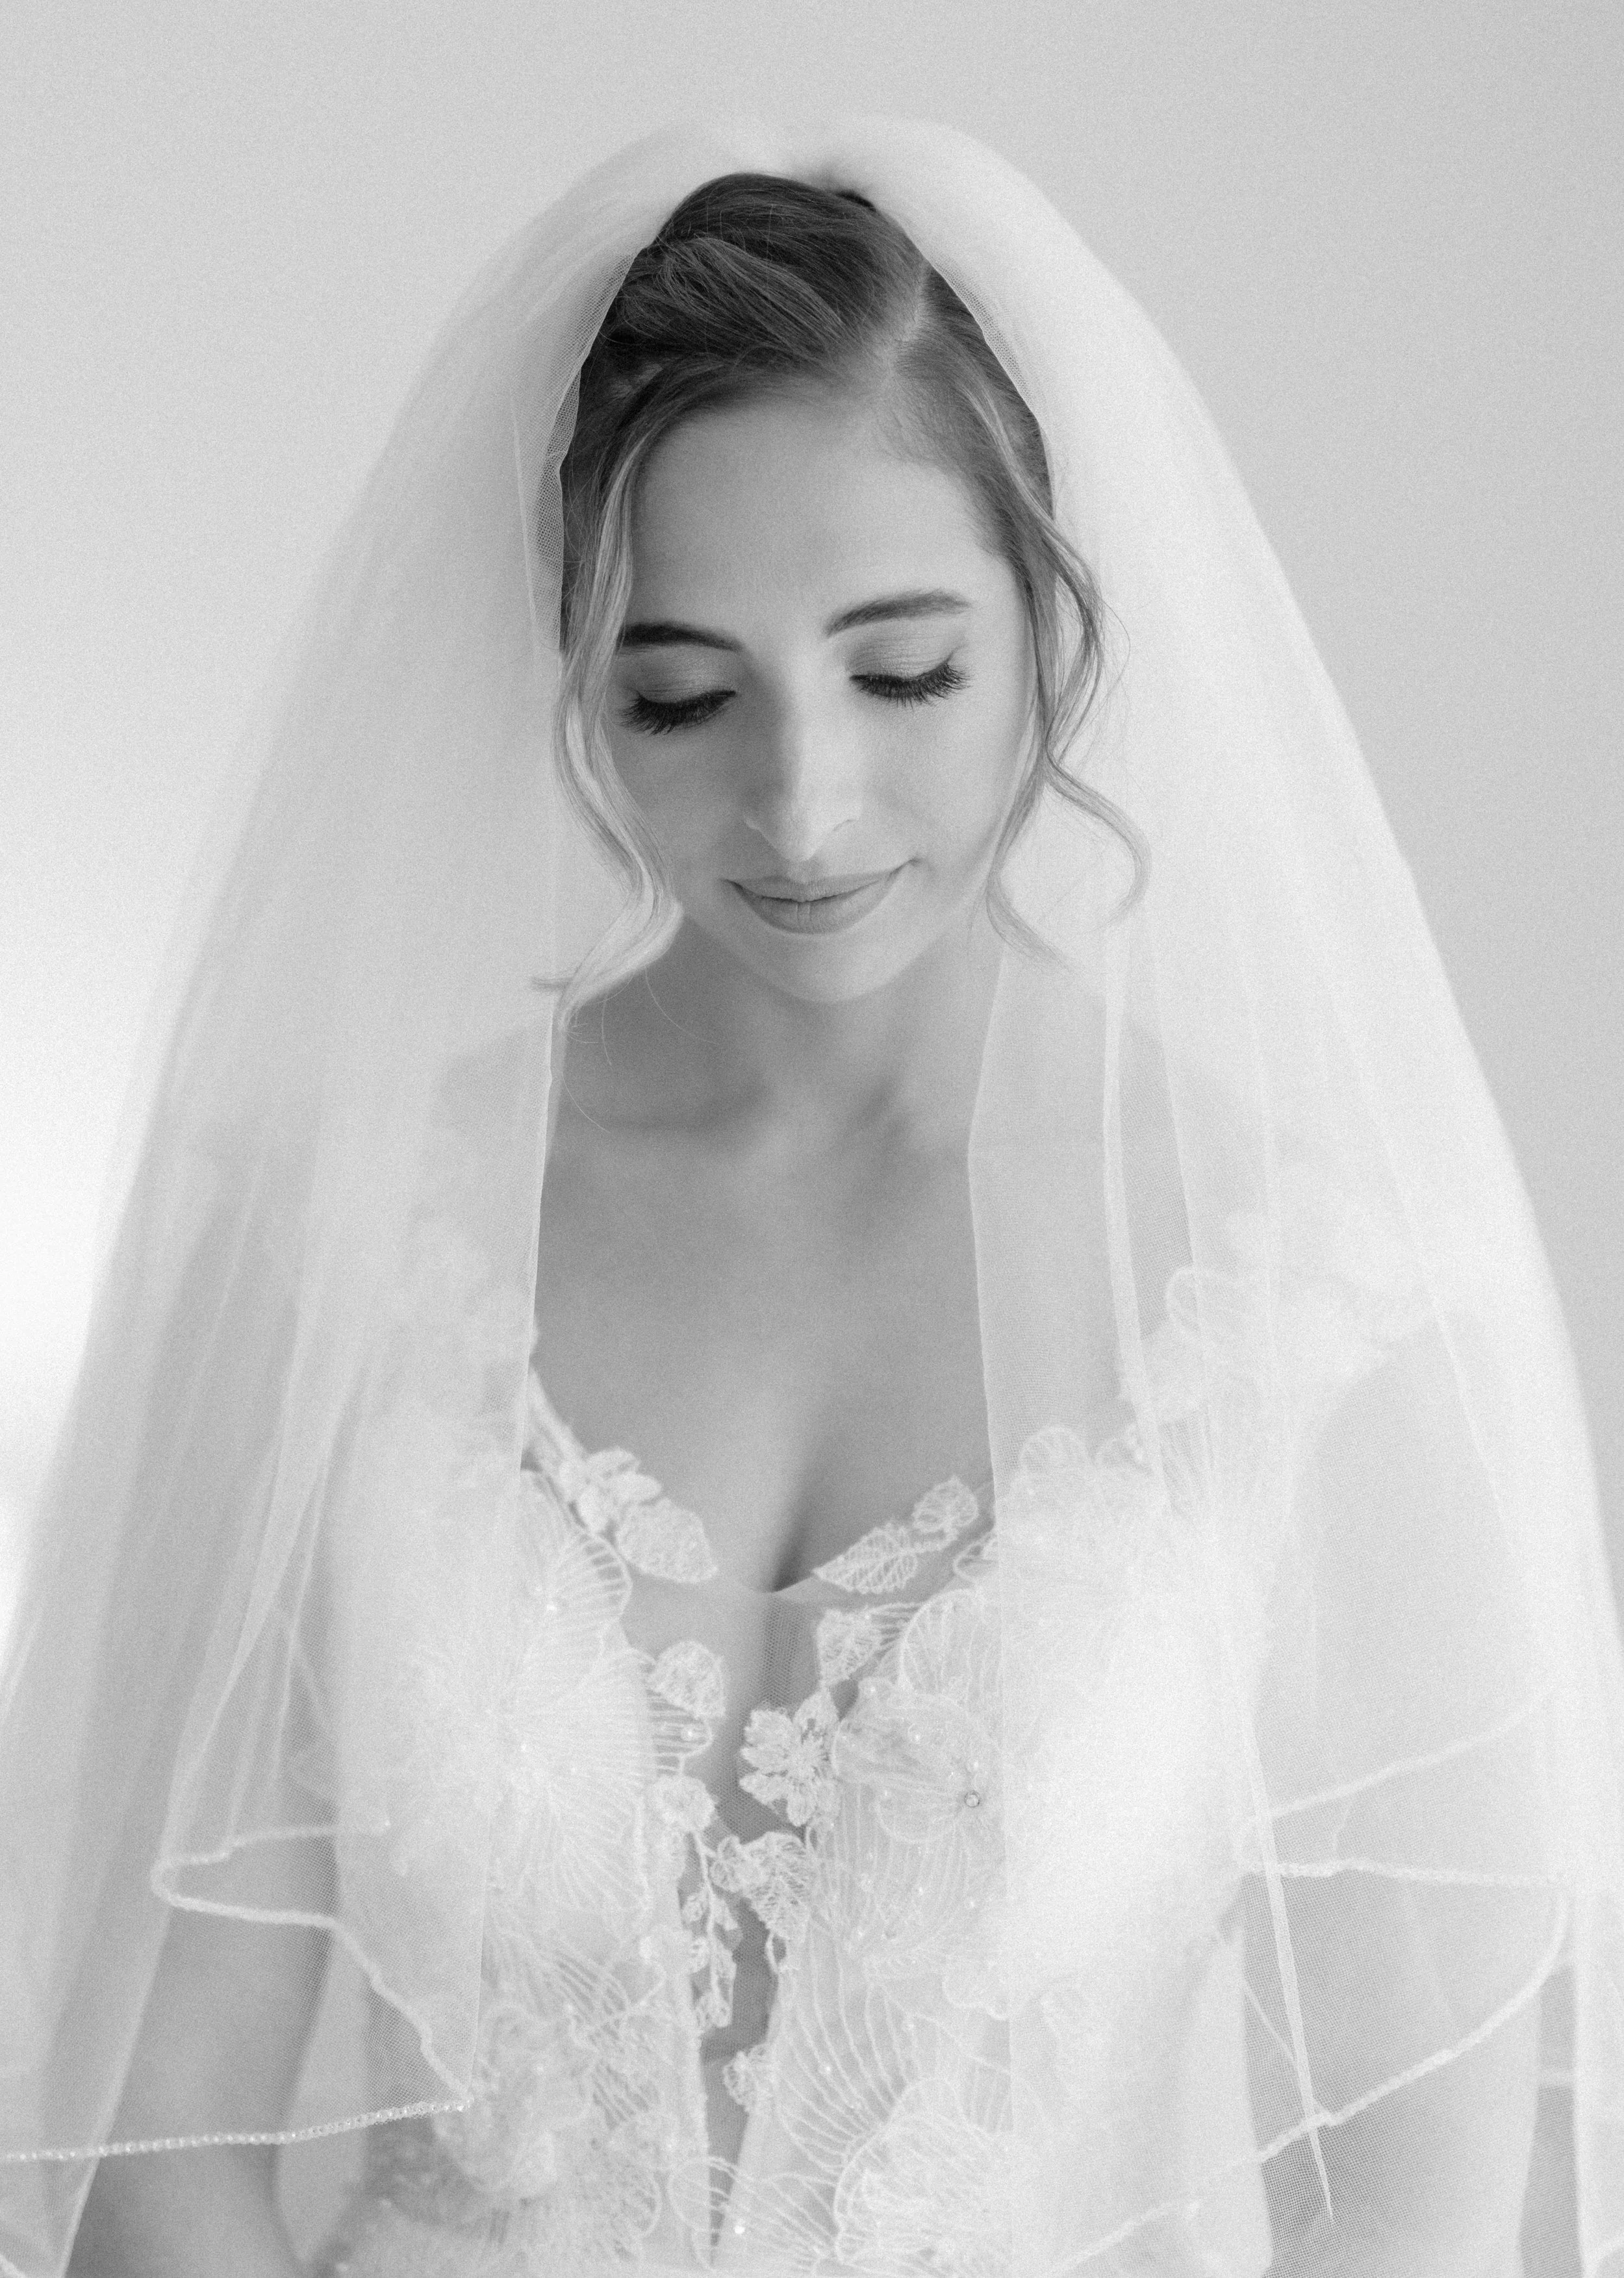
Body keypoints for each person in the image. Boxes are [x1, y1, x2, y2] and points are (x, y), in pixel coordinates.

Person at [3, 117, 1621, 2278]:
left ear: (1052, 620)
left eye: (901, 669)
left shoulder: (1312, 1302)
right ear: (570, 677)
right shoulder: (342, 1247)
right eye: (681, 695)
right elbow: (147, 2124)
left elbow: (1416, 2203)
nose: (798, 802)